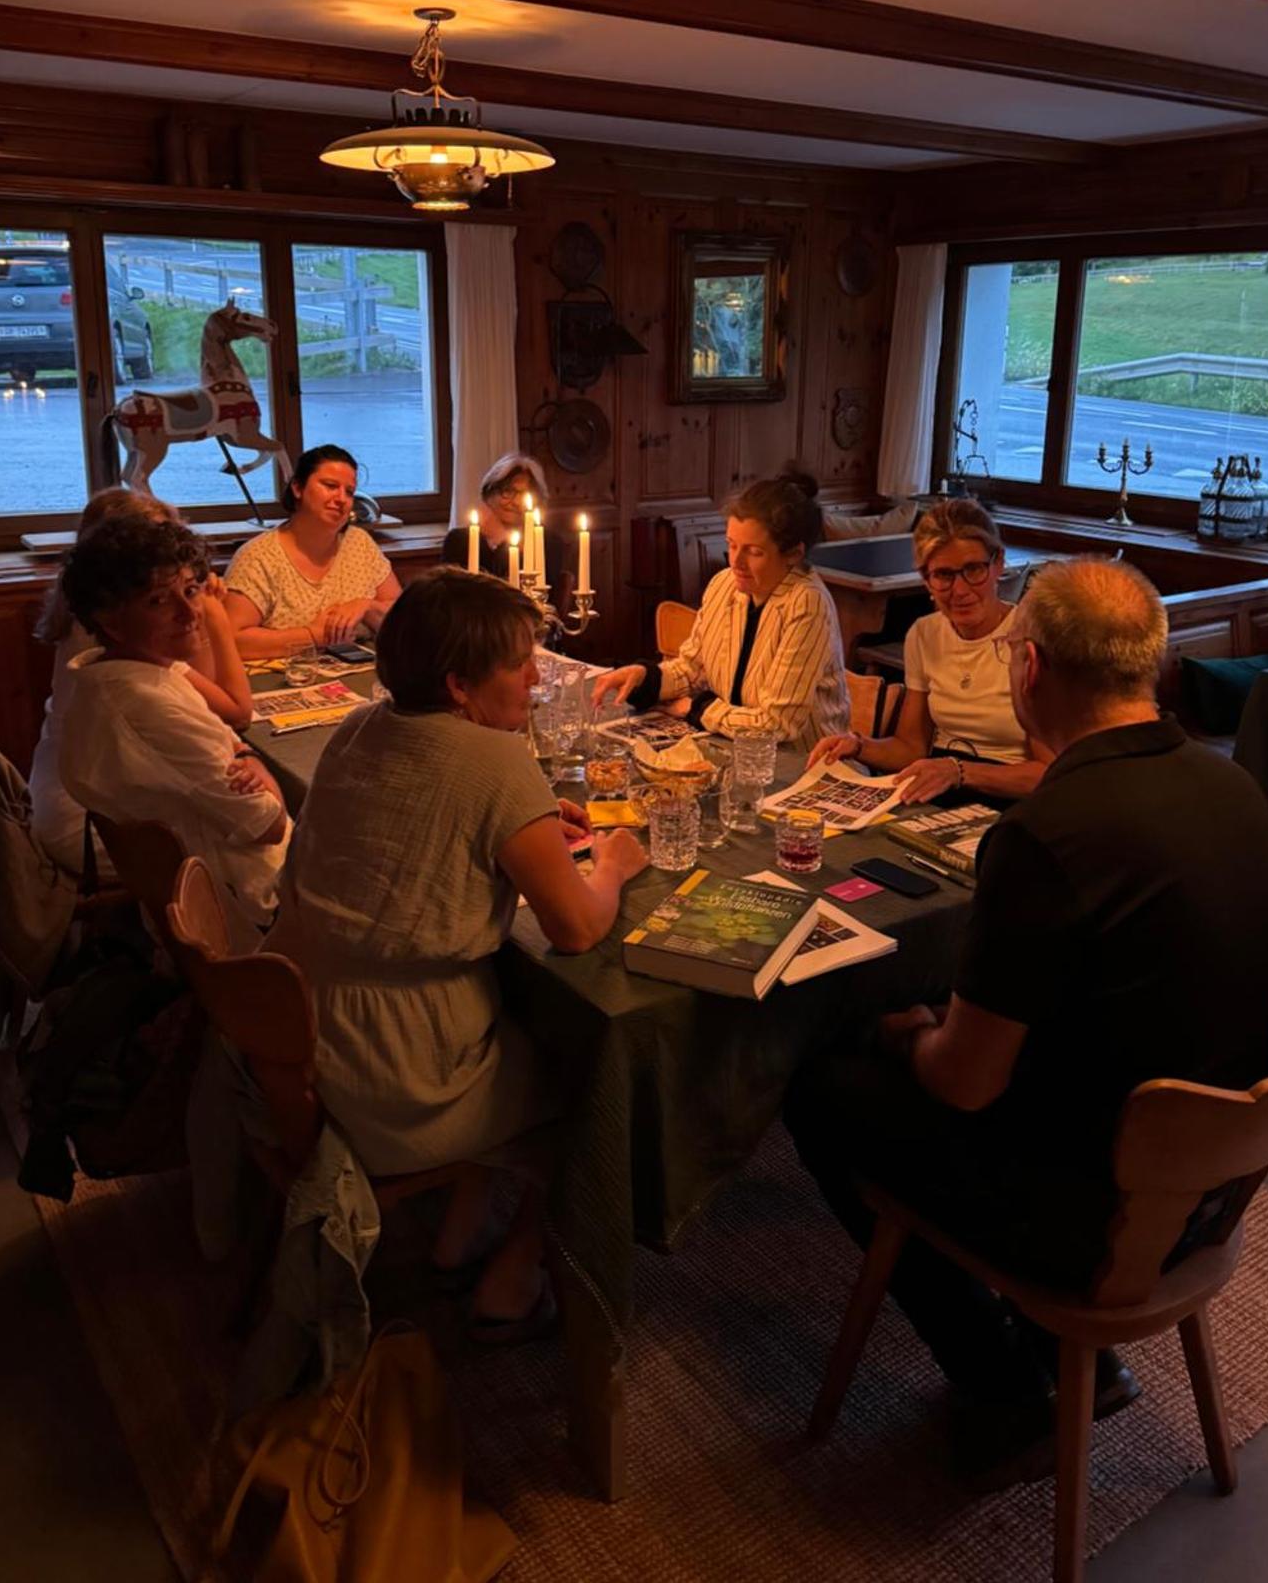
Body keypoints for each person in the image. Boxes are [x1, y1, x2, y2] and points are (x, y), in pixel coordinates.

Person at [785, 557, 1268, 1486]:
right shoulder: (1238, 790)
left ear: (1029, 668)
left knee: (818, 1086)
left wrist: (907, 1031)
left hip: (1090, 1217)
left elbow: (962, 1082)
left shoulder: (1049, 833)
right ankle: (1064, 1354)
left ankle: (1002, 1382)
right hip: (1208, 1191)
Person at [266, 568, 647, 1337]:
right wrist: (612, 865)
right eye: (520, 664)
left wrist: (532, 816)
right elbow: (575, 929)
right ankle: (513, 1275)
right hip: (406, 1073)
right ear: (461, 685)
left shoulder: (358, 727)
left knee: (524, 1015)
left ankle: (457, 1232)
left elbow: (436, 815)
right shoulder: (495, 763)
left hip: (310, 1036)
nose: (537, 677)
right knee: (599, 1079)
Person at [58, 517, 289, 930]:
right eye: (158, 602)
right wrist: (256, 767)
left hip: (200, 889)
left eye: (191, 590)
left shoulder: (120, 670)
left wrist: (246, 753)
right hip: (255, 907)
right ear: (109, 619)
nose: (189, 614)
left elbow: (234, 729)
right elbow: (269, 824)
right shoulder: (147, 705)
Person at [30, 488, 253, 876]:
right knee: (261, 826)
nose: (166, 557)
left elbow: (205, 692)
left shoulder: (100, 623)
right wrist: (210, 612)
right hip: (90, 826)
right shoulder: (125, 639)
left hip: (75, 800)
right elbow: (235, 710)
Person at [808, 497, 1049, 800]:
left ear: (998, 563)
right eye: (943, 575)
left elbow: (1048, 774)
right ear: (926, 579)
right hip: (938, 788)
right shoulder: (924, 634)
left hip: (1005, 800)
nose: (959, 590)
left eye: (974, 570)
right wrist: (856, 744)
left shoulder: (1030, 640)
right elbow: (911, 747)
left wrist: (959, 772)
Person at [593, 469, 849, 749]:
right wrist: (645, 678)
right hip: (734, 745)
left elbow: (776, 725)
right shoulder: (724, 585)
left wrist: (697, 709)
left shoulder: (806, 602)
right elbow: (692, 669)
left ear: (794, 554)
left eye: (754, 551)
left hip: (803, 761)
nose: (735, 562)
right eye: (731, 544)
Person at [223, 445, 401, 658]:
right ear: (298, 488)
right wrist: (313, 636)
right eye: (330, 486)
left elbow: (404, 618)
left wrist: (367, 606)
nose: (341, 498)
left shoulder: (359, 543)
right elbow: (233, 640)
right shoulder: (258, 557)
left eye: (349, 492)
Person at [442, 451, 569, 601]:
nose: (516, 502)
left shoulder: (549, 542)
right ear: (489, 494)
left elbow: (535, 595)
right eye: (508, 491)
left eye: (524, 494)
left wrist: (501, 539)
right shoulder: (458, 541)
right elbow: (450, 596)